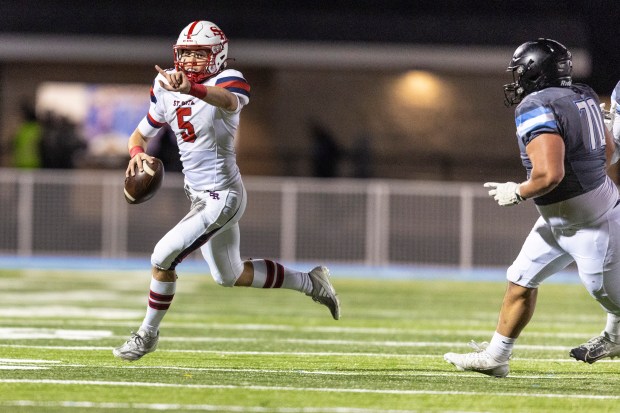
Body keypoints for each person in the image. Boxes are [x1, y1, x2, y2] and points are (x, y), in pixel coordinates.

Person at [113, 20, 340, 362]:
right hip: (198, 196)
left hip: (224, 196)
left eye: (198, 54)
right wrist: (137, 154)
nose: (189, 62)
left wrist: (192, 89)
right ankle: (312, 282)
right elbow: (139, 135)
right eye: (184, 54)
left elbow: (229, 102)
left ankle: (147, 334)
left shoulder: (228, 81)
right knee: (229, 274)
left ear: (217, 56)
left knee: (162, 257)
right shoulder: (164, 86)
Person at [443, 38, 620, 378]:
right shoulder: (583, 94)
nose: (517, 78)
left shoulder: (535, 106)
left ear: (534, 72)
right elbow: (609, 152)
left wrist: (519, 191)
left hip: (592, 225)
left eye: (521, 71)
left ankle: (615, 335)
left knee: (613, 300)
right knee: (520, 280)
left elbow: (550, 174)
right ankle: (495, 357)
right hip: (564, 220)